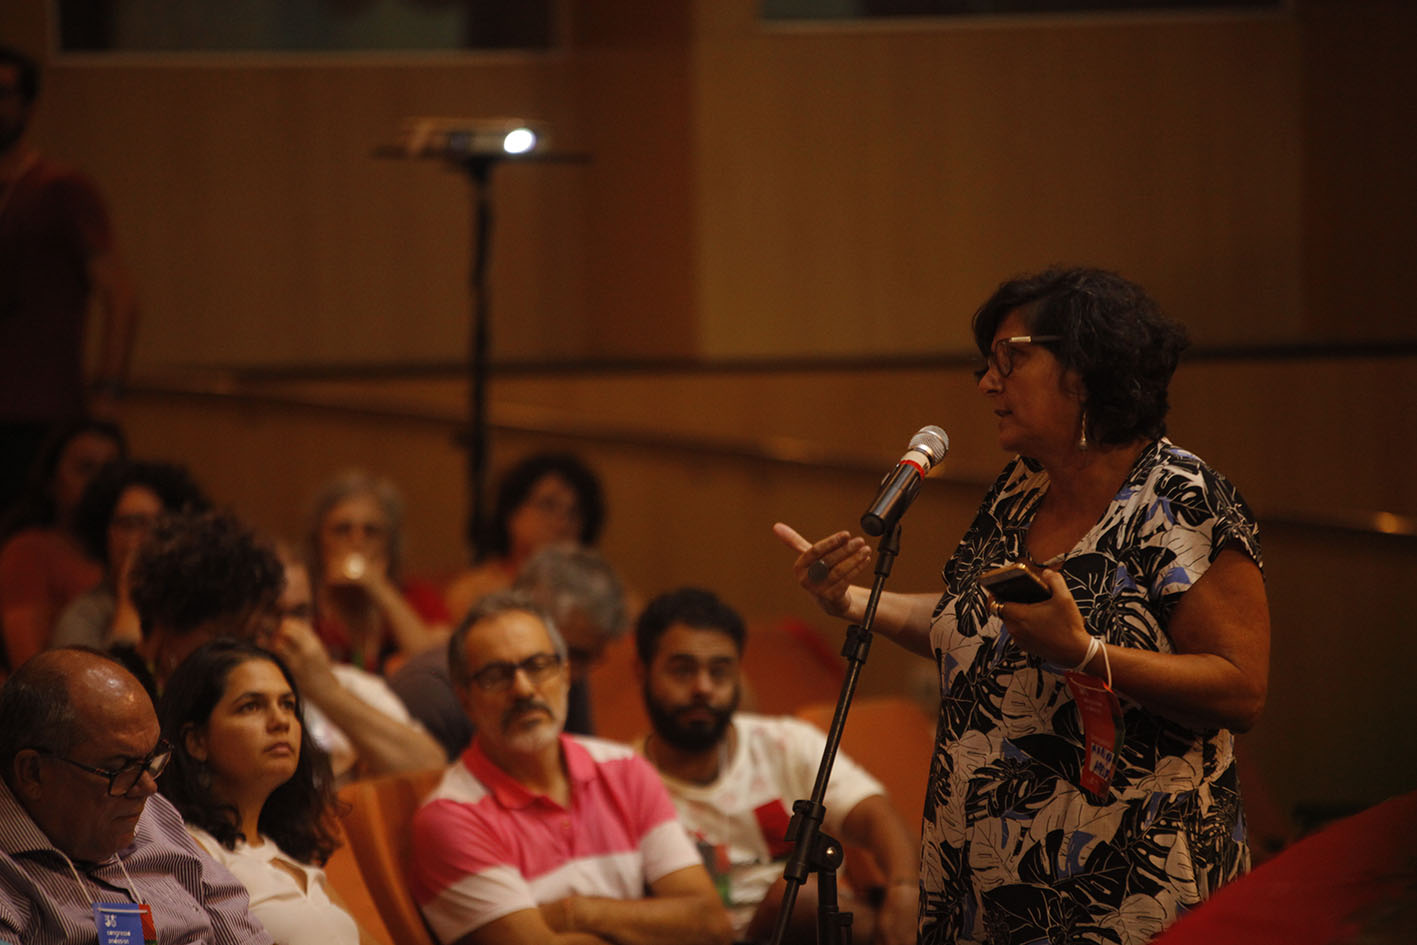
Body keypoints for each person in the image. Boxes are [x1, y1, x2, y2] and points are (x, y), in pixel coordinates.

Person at [775, 266, 1271, 945]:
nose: (987, 382)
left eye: (1009, 359)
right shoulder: (1019, 489)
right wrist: (852, 600)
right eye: (987, 363)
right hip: (980, 875)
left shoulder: (1180, 496)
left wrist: (1085, 653)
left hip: (1124, 883)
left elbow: (1241, 688)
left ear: (1086, 366)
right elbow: (971, 623)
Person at [409, 590, 732, 945]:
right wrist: (654, 927)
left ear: (564, 675)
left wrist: (574, 913)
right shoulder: (451, 817)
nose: (523, 689)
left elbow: (710, 924)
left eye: (538, 666)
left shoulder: (625, 769)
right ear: (465, 699)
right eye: (496, 676)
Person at [634, 587, 919, 945]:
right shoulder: (622, 779)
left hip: (811, 931)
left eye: (719, 671)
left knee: (810, 902)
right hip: (704, 935)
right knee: (798, 900)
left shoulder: (785, 743)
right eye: (682, 671)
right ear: (642, 672)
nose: (703, 688)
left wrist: (905, 890)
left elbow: (876, 816)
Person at [129, 509, 444, 781]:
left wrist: (327, 692)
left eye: (299, 613)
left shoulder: (346, 684)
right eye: (272, 615)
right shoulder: (199, 697)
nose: (287, 630)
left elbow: (430, 770)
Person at [0, 647, 271, 943]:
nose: (148, 787)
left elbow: (239, 927)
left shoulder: (153, 815)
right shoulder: (9, 880)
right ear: (33, 772)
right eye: (120, 767)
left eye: (150, 760)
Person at [157, 639, 370, 945]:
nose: (281, 721)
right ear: (196, 742)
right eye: (251, 706)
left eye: (288, 705)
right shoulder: (191, 851)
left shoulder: (291, 856)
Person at [0, 45, 139, 510]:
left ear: (28, 105)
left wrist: (108, 394)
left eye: (3, 94)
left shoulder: (60, 189)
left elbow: (120, 294)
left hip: (41, 411)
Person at [391, 543, 628, 757]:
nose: (580, 672)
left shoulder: (562, 670)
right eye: (578, 655)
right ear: (530, 616)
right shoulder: (430, 692)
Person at [0, 417, 125, 673]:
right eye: (85, 468)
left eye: (109, 471)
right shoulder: (29, 550)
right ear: (51, 481)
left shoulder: (118, 552)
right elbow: (29, 665)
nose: (99, 482)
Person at [51, 458, 210, 651]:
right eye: (130, 524)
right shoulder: (84, 616)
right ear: (104, 532)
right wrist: (129, 596)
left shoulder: (193, 608)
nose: (142, 537)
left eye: (157, 524)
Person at [306, 469, 449, 673]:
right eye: (342, 529)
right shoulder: (302, 602)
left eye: (371, 531)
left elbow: (436, 669)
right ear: (318, 540)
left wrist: (380, 589)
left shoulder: (418, 598)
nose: (357, 541)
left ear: (389, 544)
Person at [443, 452, 606, 624]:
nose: (562, 523)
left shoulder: (597, 594)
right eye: (548, 505)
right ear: (512, 512)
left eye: (574, 513)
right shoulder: (475, 591)